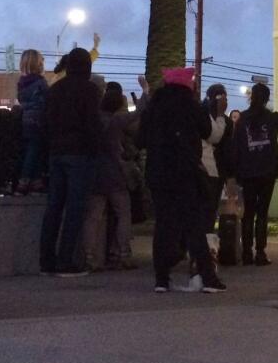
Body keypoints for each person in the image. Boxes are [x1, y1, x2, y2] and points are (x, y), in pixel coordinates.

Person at [139, 67, 226, 293]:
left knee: (163, 224)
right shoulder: (191, 106)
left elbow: (140, 139)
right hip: (185, 172)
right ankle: (208, 279)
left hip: (158, 172)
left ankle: (161, 279)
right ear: (188, 85)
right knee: (194, 225)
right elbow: (208, 132)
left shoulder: (154, 107)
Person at [40, 48, 102, 278]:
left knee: (54, 207)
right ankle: (65, 260)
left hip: (56, 153)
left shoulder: (55, 90)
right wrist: (96, 149)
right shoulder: (89, 90)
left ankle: (46, 261)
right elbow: (92, 124)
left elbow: (45, 123)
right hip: (80, 154)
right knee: (75, 207)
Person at [81, 79, 146, 271]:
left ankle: (89, 256)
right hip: (115, 173)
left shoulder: (92, 119)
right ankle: (123, 254)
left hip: (95, 172)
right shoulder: (117, 121)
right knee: (123, 213)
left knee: (93, 216)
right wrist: (145, 90)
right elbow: (138, 112)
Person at [231, 83, 278, 266]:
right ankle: (260, 252)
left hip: (247, 172)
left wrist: (235, 171)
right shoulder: (270, 118)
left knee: (248, 212)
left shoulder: (242, 120)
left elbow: (236, 147)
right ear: (266, 98)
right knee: (262, 212)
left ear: (251, 97)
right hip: (267, 171)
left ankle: (247, 252)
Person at [199, 84, 233, 239]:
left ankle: (204, 245)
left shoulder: (226, 121)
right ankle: (203, 246)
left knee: (209, 209)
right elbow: (215, 137)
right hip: (207, 168)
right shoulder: (206, 116)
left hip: (215, 169)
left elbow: (227, 149)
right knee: (207, 209)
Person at [15, 51, 48, 196]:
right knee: (35, 151)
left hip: (26, 119)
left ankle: (36, 182)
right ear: (38, 63)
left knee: (33, 149)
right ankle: (25, 181)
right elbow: (48, 101)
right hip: (39, 120)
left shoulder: (22, 83)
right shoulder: (40, 82)